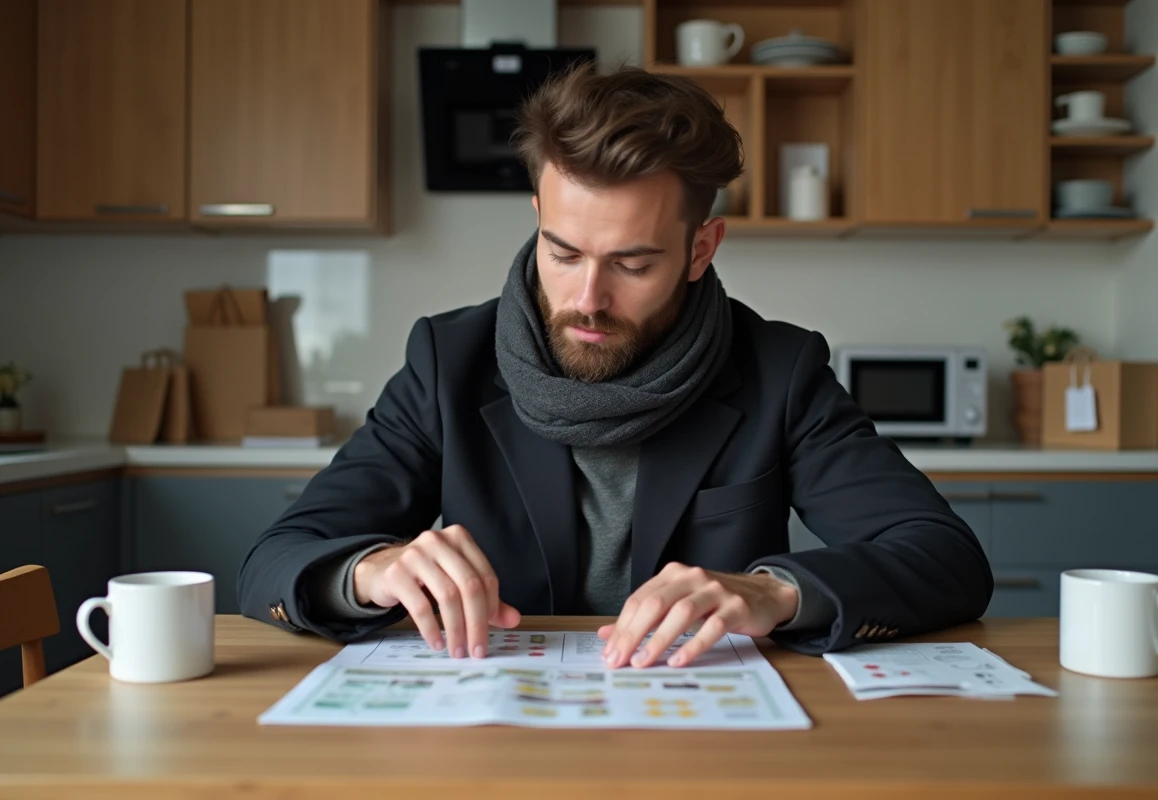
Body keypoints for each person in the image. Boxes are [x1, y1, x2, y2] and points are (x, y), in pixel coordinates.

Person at [238, 64, 992, 669]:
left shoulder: (779, 370)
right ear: (537, 217)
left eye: (633, 263)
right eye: (563, 255)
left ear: (701, 249)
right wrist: (370, 571)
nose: (587, 299)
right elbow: (274, 559)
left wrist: (775, 592)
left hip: (694, 733)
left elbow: (946, 559)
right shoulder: (447, 361)